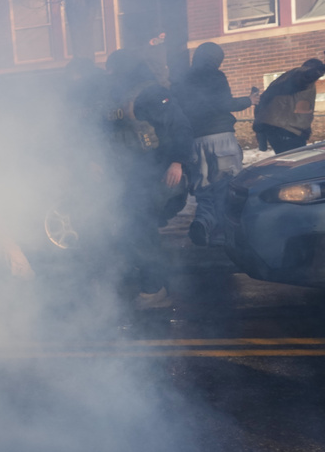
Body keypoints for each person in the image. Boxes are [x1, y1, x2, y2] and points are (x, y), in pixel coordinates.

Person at [104, 49, 193, 309]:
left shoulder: (151, 93)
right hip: (132, 176)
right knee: (132, 230)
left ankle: (154, 289)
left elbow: (181, 127)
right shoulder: (123, 95)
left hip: (153, 175)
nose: (109, 74)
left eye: (113, 68)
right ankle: (152, 280)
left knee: (141, 231)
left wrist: (177, 162)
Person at [173, 42, 253, 247]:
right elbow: (224, 104)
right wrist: (249, 100)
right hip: (221, 138)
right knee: (226, 187)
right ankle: (224, 235)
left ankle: (202, 222)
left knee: (204, 189)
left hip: (195, 140)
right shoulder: (216, 76)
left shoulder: (182, 80)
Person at [253, 58, 325, 154]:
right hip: (287, 130)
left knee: (289, 161)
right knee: (295, 163)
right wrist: (320, 69)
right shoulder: (300, 74)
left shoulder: (285, 78)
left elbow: (262, 102)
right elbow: (306, 76)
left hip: (277, 129)